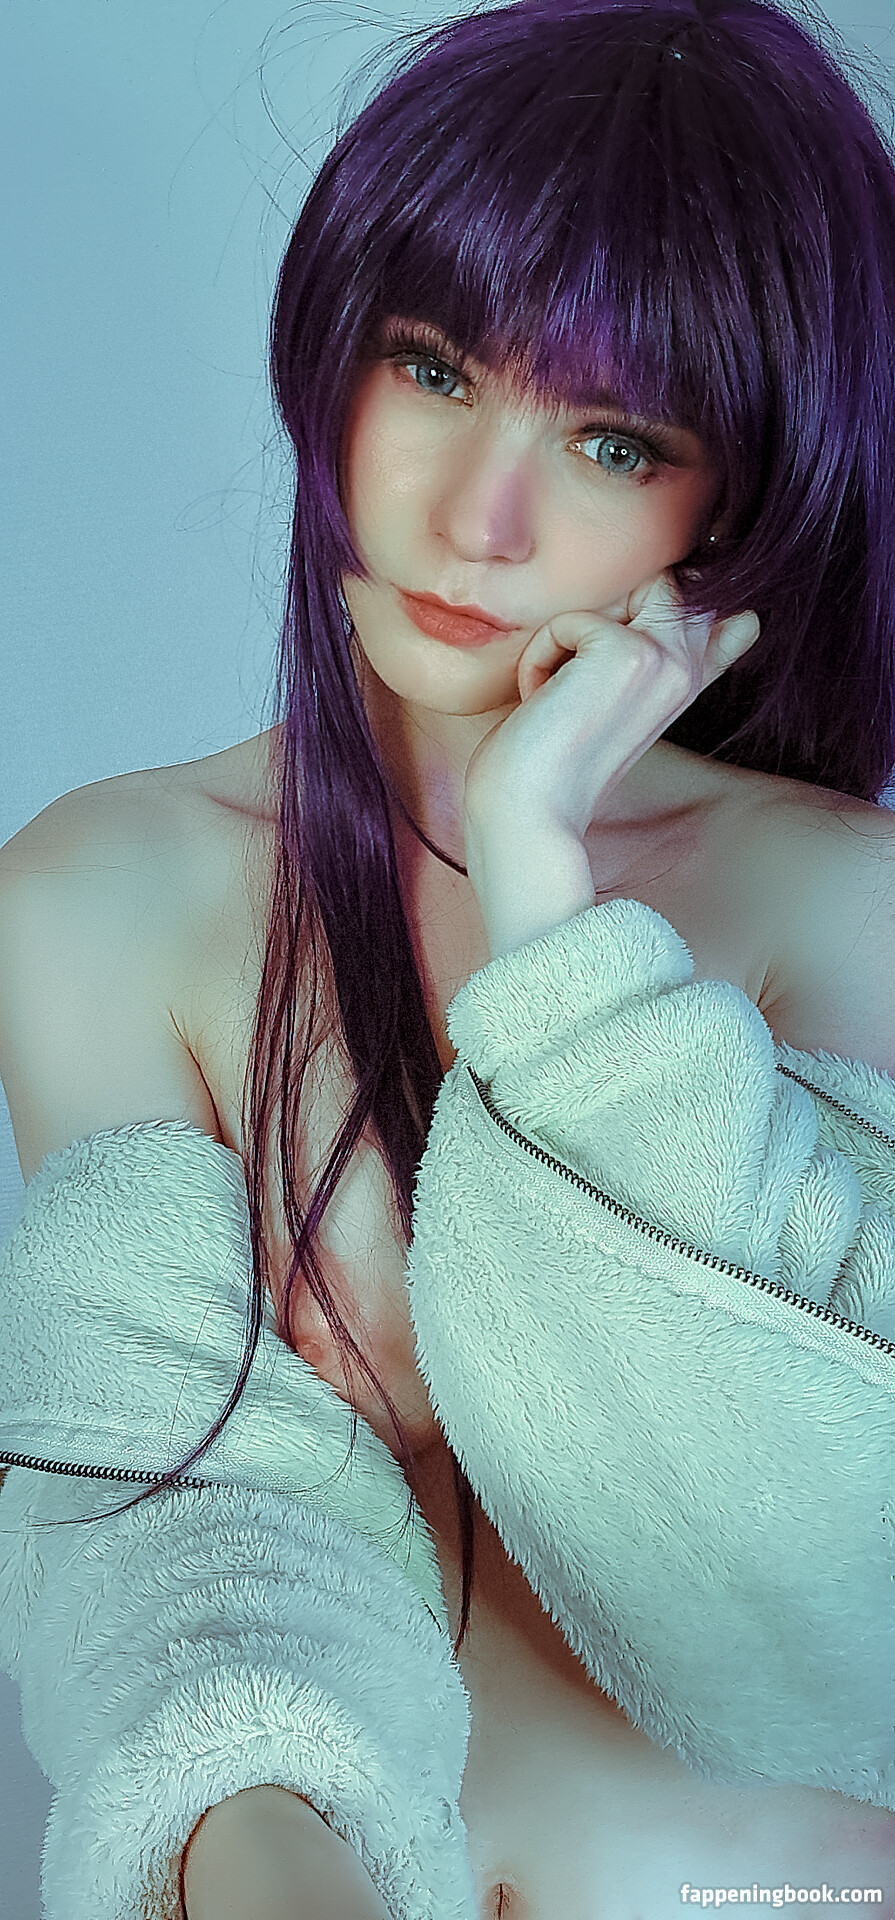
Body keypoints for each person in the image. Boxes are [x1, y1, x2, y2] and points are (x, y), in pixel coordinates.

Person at [1, 0, 895, 1915]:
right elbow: (164, 1514)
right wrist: (267, 1864)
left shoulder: (838, 905)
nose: (479, 517)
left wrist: (553, 922)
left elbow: (822, 1551)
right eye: (433, 367)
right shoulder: (108, 895)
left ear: (735, 494)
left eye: (609, 438)